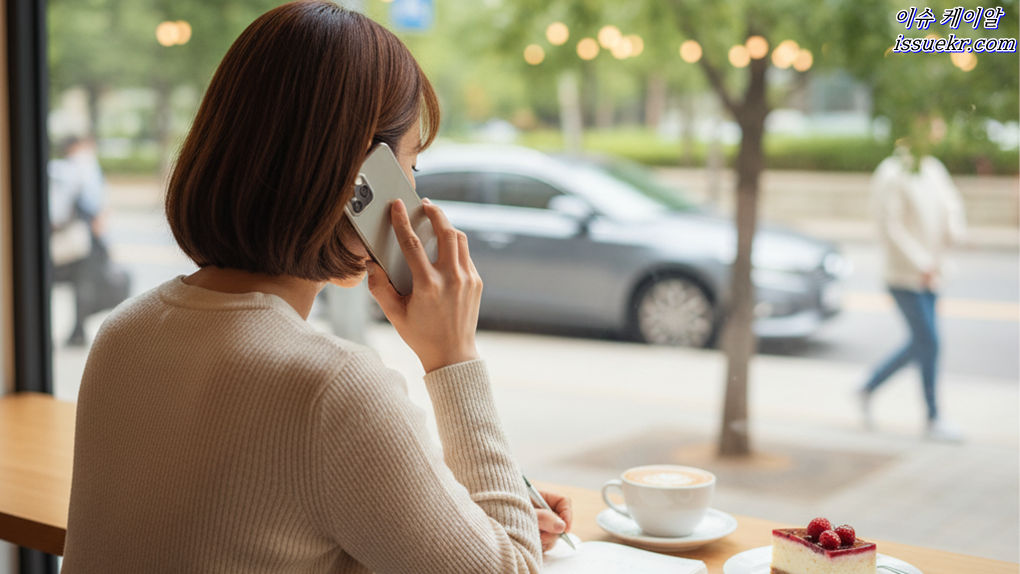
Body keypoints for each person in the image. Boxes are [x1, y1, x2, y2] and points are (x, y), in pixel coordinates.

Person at [61, 3, 570, 572]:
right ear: (359, 187)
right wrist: (453, 357)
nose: (416, 199)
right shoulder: (336, 389)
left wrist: (462, 510)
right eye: (409, 169)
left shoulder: (123, 334)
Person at [859, 115, 967, 442]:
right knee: (929, 342)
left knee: (924, 342)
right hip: (905, 275)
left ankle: (869, 387)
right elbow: (889, 226)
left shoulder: (932, 168)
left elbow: (951, 208)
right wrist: (920, 262)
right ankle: (932, 417)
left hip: (931, 274)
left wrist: (955, 236)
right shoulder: (893, 172)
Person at [49, 135, 108, 346]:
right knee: (83, 285)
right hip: (82, 241)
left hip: (68, 239)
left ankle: (75, 331)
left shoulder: (58, 168)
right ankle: (77, 332)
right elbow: (94, 204)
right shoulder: (83, 167)